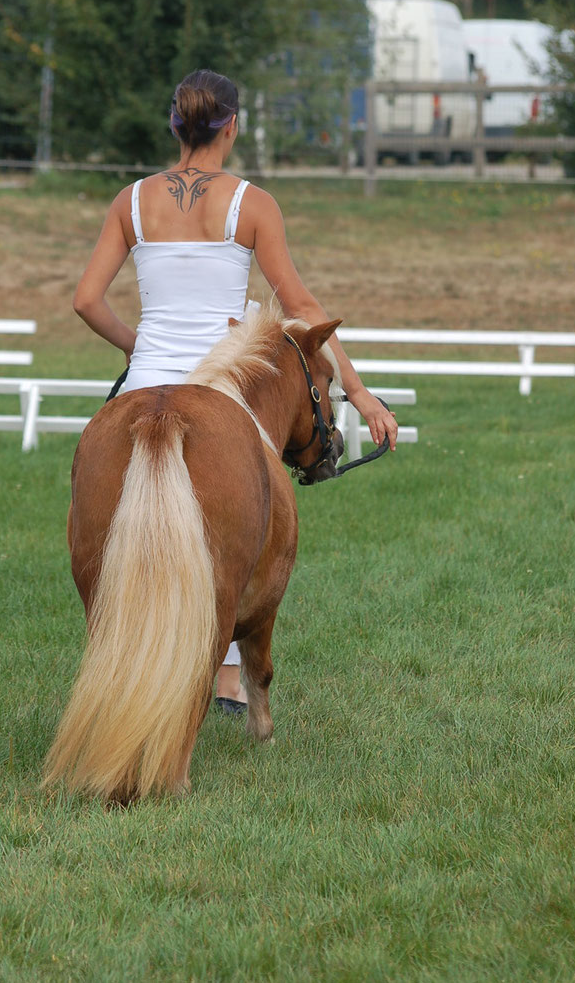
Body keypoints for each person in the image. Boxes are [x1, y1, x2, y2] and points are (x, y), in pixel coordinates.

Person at [72, 68, 398, 713]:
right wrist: (359, 392)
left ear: (176, 124)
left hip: (147, 379)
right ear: (234, 126)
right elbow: (300, 305)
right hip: (227, 393)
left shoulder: (131, 201)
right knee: (244, 533)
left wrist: (141, 348)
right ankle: (227, 681)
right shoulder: (253, 203)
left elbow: (86, 301)